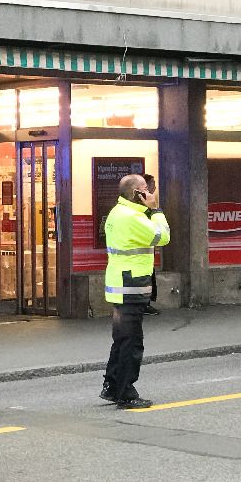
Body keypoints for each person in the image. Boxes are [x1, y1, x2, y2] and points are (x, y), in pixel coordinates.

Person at [100, 173, 171, 409]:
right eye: (146, 190)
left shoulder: (118, 212)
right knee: (132, 344)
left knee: (121, 341)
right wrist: (156, 209)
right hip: (130, 286)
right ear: (137, 193)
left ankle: (112, 386)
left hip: (120, 285)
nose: (150, 193)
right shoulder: (133, 218)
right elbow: (163, 237)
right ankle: (126, 394)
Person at [143, 173, 160, 317]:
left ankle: (146, 303)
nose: (155, 186)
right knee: (146, 276)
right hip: (144, 248)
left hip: (147, 247)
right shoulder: (146, 205)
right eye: (152, 183)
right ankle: (145, 304)